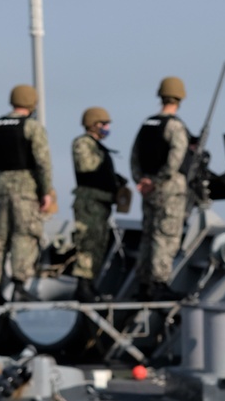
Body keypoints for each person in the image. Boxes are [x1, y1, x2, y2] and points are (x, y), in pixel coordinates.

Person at [0, 85, 54, 300]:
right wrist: (45, 191)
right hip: (26, 187)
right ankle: (19, 287)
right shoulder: (33, 128)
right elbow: (43, 162)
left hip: (1, 187)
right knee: (25, 235)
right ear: (32, 103)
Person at [130, 76, 191, 299]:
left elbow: (134, 156)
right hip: (169, 190)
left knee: (148, 234)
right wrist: (158, 180)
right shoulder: (175, 127)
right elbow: (176, 159)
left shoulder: (147, 124)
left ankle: (144, 284)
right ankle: (159, 283)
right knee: (165, 235)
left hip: (148, 190)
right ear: (180, 97)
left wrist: (142, 180)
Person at [71, 107, 128, 301]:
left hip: (102, 202)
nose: (107, 128)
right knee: (88, 242)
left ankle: (90, 284)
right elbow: (87, 166)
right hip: (90, 202)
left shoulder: (98, 146)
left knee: (99, 244)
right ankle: (82, 286)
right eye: (103, 124)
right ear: (93, 125)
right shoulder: (83, 143)